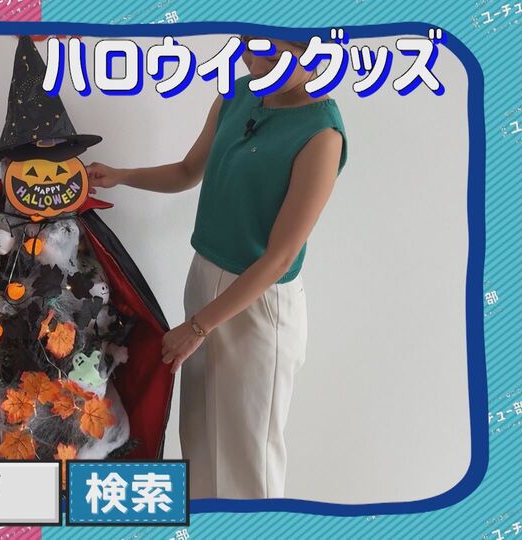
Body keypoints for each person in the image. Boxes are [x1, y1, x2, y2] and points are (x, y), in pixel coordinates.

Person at [86, 36, 348, 498]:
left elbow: (280, 256)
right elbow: (189, 171)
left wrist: (198, 327)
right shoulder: (237, 93)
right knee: (200, 437)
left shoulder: (321, 135)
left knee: (249, 456)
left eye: (273, 57)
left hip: (259, 301)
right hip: (204, 277)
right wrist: (122, 176)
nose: (255, 64)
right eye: (248, 48)